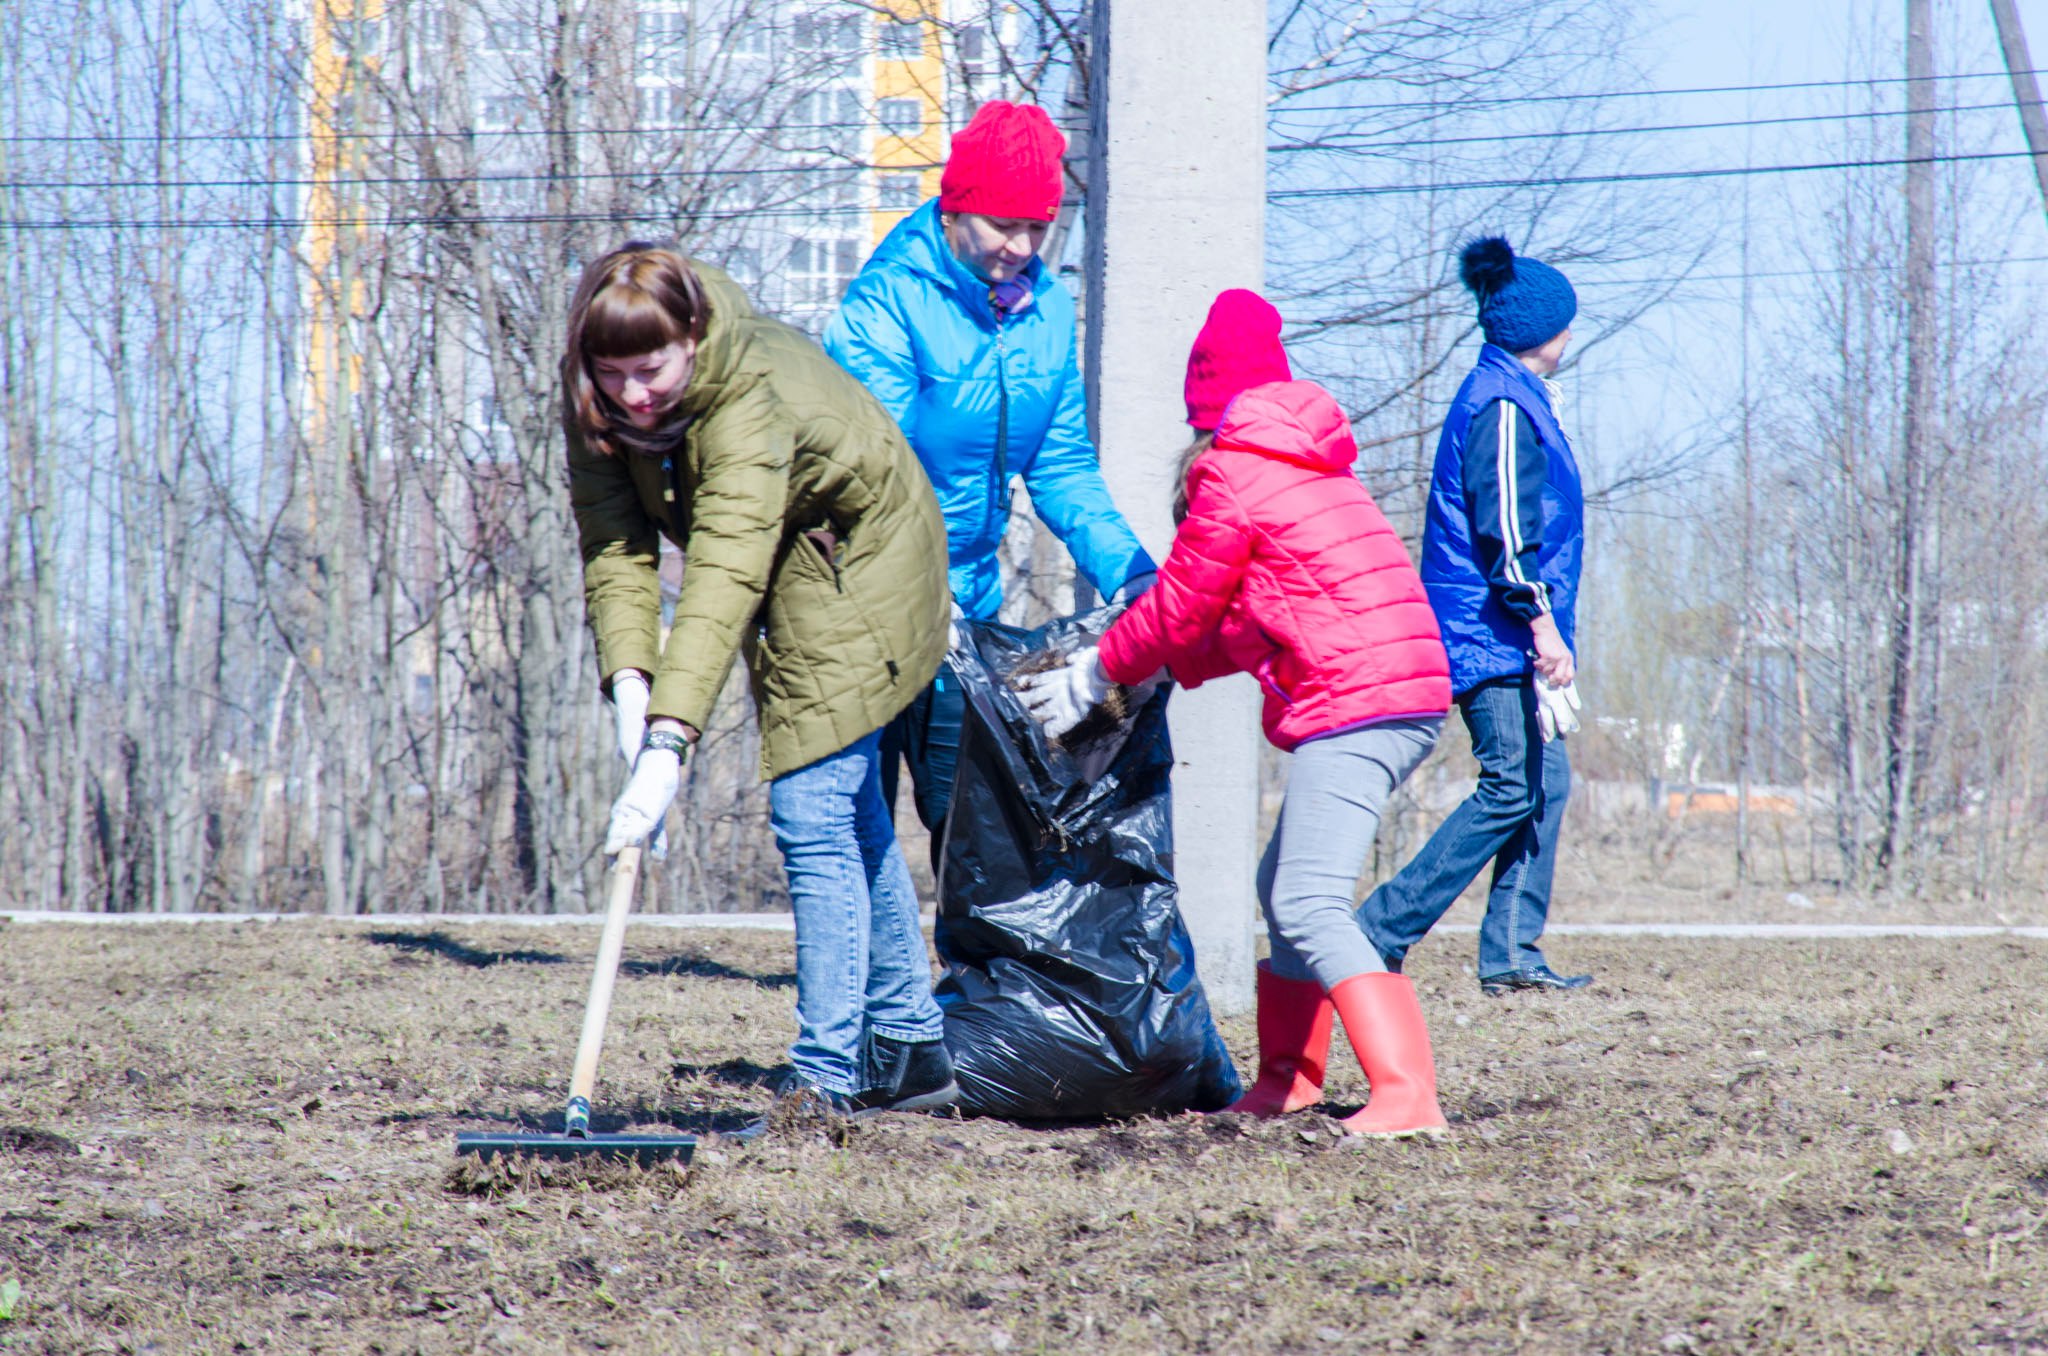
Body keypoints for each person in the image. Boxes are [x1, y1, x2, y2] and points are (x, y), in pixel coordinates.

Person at [1017, 290, 1455, 1137]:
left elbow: (1182, 604)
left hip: (1361, 698)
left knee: (1309, 900)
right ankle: (1290, 1080)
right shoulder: (1304, 466)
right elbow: (1238, 626)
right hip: (1391, 688)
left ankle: (1407, 1093)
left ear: (1206, 411)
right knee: (1279, 888)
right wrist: (1149, 677)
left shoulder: (1235, 470)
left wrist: (1101, 669)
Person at [565, 242, 957, 1114]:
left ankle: (824, 1079)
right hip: (785, 554)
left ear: (694, 336)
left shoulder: (746, 393)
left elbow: (723, 569)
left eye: (653, 369)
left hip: (861, 553)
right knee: (847, 810)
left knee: (813, 808)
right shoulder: (595, 395)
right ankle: (911, 1044)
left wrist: (671, 741)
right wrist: (633, 684)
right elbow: (614, 544)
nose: (633, 393)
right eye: (613, 372)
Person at [824, 100, 1155, 855]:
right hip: (864, 601)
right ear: (956, 207)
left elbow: (1062, 466)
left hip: (966, 605)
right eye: (1003, 225)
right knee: (857, 822)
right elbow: (874, 475)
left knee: (971, 819)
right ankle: (875, 974)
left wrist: (1134, 576)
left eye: (1035, 228)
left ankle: (971, 973)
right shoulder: (887, 301)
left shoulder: (1045, 311)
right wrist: (913, 591)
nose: (1020, 246)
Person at [1356, 236, 1592, 997]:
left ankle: (1513, 958)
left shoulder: (1512, 394)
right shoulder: (1501, 405)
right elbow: (1508, 532)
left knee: (1544, 784)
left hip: (1504, 627)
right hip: (1488, 629)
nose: (1570, 333)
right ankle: (1377, 932)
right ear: (1538, 330)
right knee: (1510, 785)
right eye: (1565, 322)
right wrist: (1542, 624)